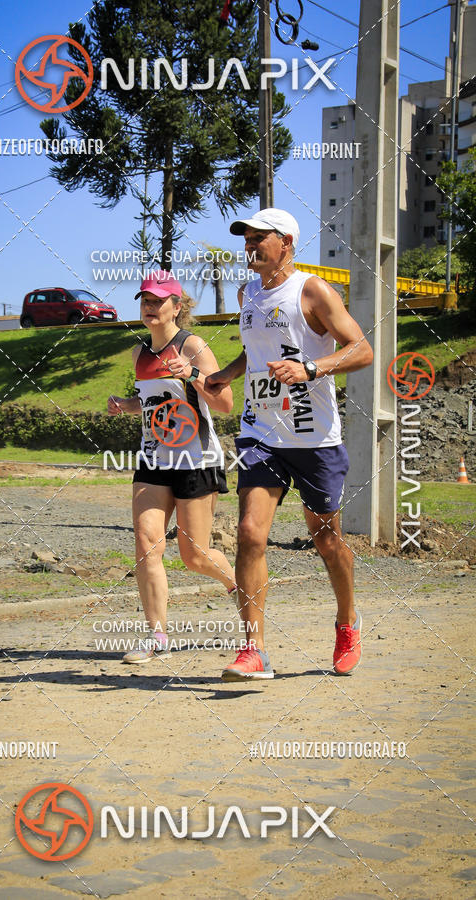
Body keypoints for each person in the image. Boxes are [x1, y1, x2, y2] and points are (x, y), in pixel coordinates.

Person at [205, 208, 374, 680]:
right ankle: (253, 649)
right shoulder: (247, 294)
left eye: (260, 238)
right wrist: (227, 373)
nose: (250, 246)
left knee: (326, 539)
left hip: (315, 438)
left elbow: (363, 349)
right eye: (247, 238)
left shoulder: (313, 290)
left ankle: (346, 622)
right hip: (262, 433)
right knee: (249, 535)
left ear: (287, 243)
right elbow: (255, 351)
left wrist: (311, 369)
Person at [107, 270, 237, 663]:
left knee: (194, 556)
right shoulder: (139, 354)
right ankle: (156, 635)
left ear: (177, 307)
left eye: (158, 300)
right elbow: (152, 404)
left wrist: (193, 375)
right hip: (153, 458)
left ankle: (240, 586)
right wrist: (125, 406)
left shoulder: (193, 345)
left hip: (196, 458)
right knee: (147, 543)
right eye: (145, 300)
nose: (150, 306)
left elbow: (226, 403)